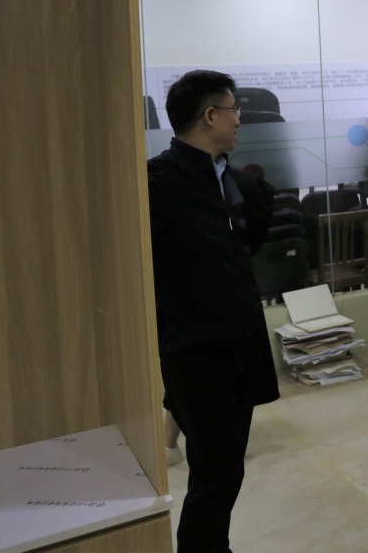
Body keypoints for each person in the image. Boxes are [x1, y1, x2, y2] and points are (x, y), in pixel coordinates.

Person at [148, 69, 279, 553]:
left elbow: (246, 248)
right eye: (233, 110)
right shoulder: (157, 183)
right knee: (215, 471)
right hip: (196, 353)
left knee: (224, 468)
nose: (239, 119)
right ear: (209, 116)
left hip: (241, 345)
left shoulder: (237, 182)